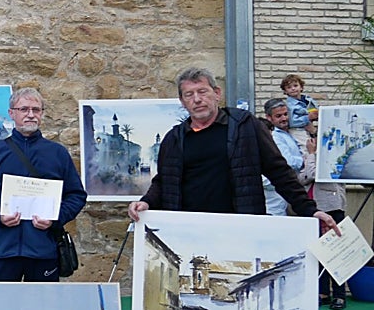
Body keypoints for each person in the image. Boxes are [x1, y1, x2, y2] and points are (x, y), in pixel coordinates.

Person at [127, 68, 337, 234]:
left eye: (202, 91)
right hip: (188, 230)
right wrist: (146, 202)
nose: (197, 99)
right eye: (189, 95)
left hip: (239, 228)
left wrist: (310, 210)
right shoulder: (174, 138)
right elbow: (164, 181)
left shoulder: (245, 126)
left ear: (217, 94)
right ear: (182, 102)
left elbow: (278, 171)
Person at [0, 87, 87, 282]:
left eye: (36, 110)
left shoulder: (57, 153)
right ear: (11, 113)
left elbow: (76, 195)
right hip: (3, 249)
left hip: (43, 249)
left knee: (43, 302)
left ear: (42, 113)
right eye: (24, 109)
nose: (30, 115)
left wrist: (55, 218)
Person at [302, 119, 349, 309]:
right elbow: (302, 177)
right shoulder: (310, 153)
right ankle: (323, 292)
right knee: (319, 251)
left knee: (336, 250)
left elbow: (314, 174)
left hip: (332, 207)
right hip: (316, 207)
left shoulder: (332, 155)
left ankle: (339, 294)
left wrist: (311, 155)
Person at [261, 98, 303, 216]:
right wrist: (307, 159)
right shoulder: (275, 137)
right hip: (274, 204)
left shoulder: (288, 133)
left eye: (285, 114)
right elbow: (288, 163)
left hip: (284, 199)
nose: (284, 118)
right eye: (278, 116)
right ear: (269, 118)